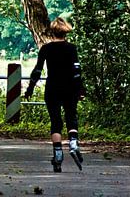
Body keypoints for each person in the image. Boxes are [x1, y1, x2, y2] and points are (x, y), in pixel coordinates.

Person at [24, 17, 85, 172]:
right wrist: (80, 89)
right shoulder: (71, 48)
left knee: (56, 121)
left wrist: (30, 87)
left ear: (52, 31)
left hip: (52, 88)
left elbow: (37, 70)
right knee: (71, 116)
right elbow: (77, 70)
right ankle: (73, 143)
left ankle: (58, 155)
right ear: (66, 31)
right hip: (70, 88)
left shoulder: (46, 49)